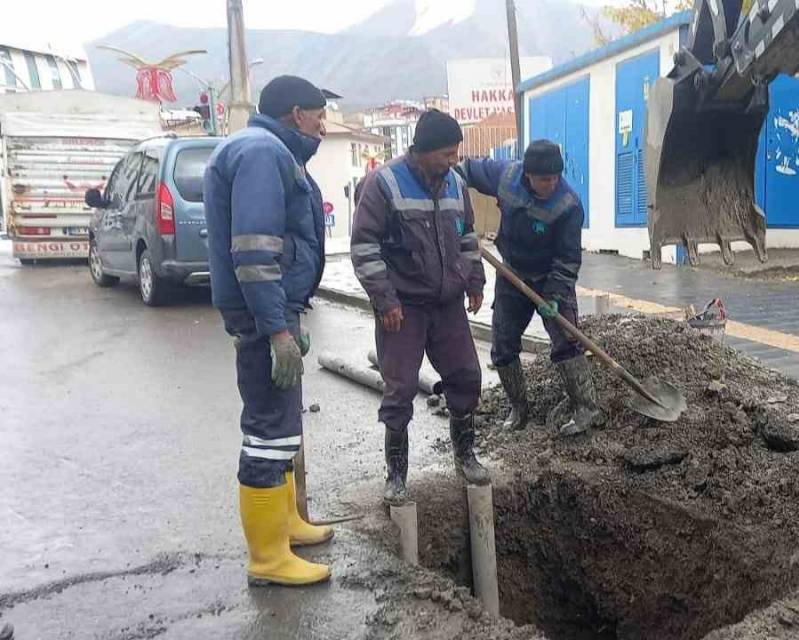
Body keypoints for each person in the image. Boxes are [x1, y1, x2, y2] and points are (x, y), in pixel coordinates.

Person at [205, 75, 334, 586]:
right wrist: (277, 328)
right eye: (319, 115)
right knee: (267, 431)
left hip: (275, 310)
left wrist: (289, 314)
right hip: (264, 316)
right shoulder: (261, 152)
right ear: (296, 113)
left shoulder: (265, 148)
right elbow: (256, 254)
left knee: (283, 425)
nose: (324, 125)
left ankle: (285, 525)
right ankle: (268, 556)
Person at [350, 109, 489, 504]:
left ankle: (465, 455)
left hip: (447, 305)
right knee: (400, 389)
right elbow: (364, 247)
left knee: (466, 377)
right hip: (403, 308)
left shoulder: (455, 186)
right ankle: (396, 474)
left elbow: (467, 238)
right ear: (423, 150)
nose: (453, 161)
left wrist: (474, 281)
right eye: (447, 153)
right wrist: (385, 300)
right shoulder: (384, 184)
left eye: (456, 153)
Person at [457, 140, 599, 438]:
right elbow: (466, 170)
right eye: (545, 178)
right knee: (503, 342)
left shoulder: (568, 205)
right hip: (512, 273)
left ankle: (585, 407)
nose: (552, 183)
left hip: (550, 276)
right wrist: (450, 192)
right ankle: (519, 407)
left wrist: (556, 296)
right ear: (528, 174)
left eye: (556, 177)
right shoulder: (506, 176)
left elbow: (568, 258)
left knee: (566, 340)